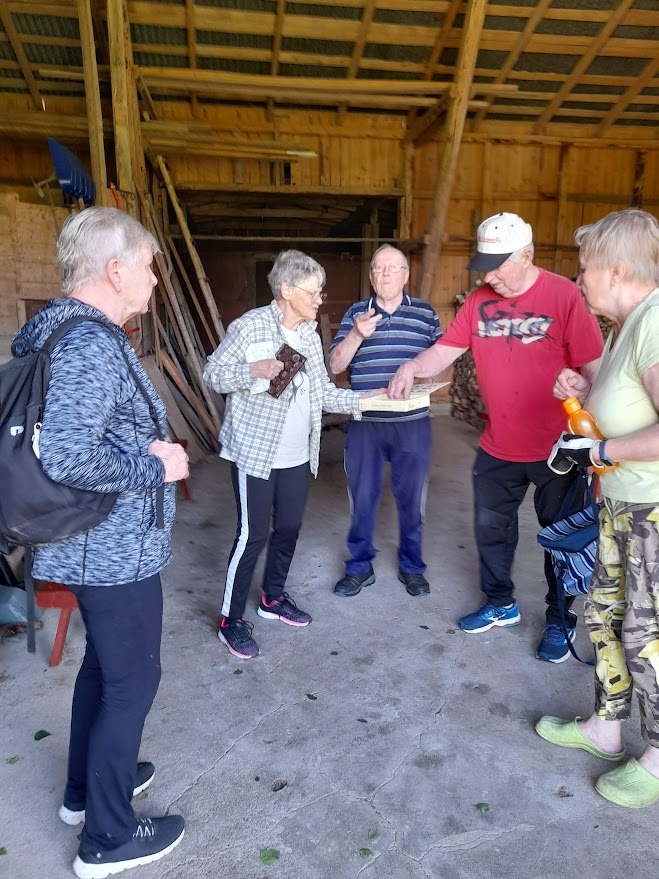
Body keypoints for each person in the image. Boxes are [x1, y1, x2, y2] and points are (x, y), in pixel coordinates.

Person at [12, 207, 189, 877]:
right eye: (147, 266)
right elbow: (66, 455)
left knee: (105, 669)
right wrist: (155, 467)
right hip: (108, 549)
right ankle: (108, 837)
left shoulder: (66, 333)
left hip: (91, 543)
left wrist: (140, 449)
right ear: (115, 270)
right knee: (133, 681)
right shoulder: (89, 343)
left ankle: (83, 791)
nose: (153, 279)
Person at [389, 212, 603, 662]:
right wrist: (411, 366)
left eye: (498, 266)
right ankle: (500, 603)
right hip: (498, 445)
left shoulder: (565, 296)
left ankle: (560, 619)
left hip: (557, 448)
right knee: (491, 531)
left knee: (561, 537)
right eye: (484, 266)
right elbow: (445, 351)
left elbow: (594, 367)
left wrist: (588, 394)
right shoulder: (478, 301)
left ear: (527, 256)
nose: (488, 277)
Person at [536, 208, 659, 807]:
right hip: (620, 504)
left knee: (647, 634)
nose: (579, 278)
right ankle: (604, 728)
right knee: (605, 616)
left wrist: (601, 449)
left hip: (651, 510)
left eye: (584, 268)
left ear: (616, 270)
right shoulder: (624, 328)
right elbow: (629, 405)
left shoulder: (655, 322)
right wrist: (585, 393)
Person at [203, 249, 371, 660]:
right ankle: (230, 620)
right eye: (314, 292)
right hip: (255, 453)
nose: (320, 300)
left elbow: (324, 392)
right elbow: (213, 373)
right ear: (286, 290)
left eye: (320, 292)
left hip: (297, 454)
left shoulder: (310, 335)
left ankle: (272, 598)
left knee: (289, 528)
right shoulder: (249, 326)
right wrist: (253, 370)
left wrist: (367, 400)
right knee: (253, 535)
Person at [329, 244, 442, 598]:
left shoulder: (425, 313)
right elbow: (335, 365)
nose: (385, 273)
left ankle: (412, 566)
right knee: (362, 498)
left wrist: (421, 377)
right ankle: (359, 566)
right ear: (371, 275)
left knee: (412, 500)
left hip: (412, 422)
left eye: (392, 267)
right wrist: (356, 335)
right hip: (366, 423)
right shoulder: (356, 313)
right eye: (378, 268)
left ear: (406, 275)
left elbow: (440, 360)